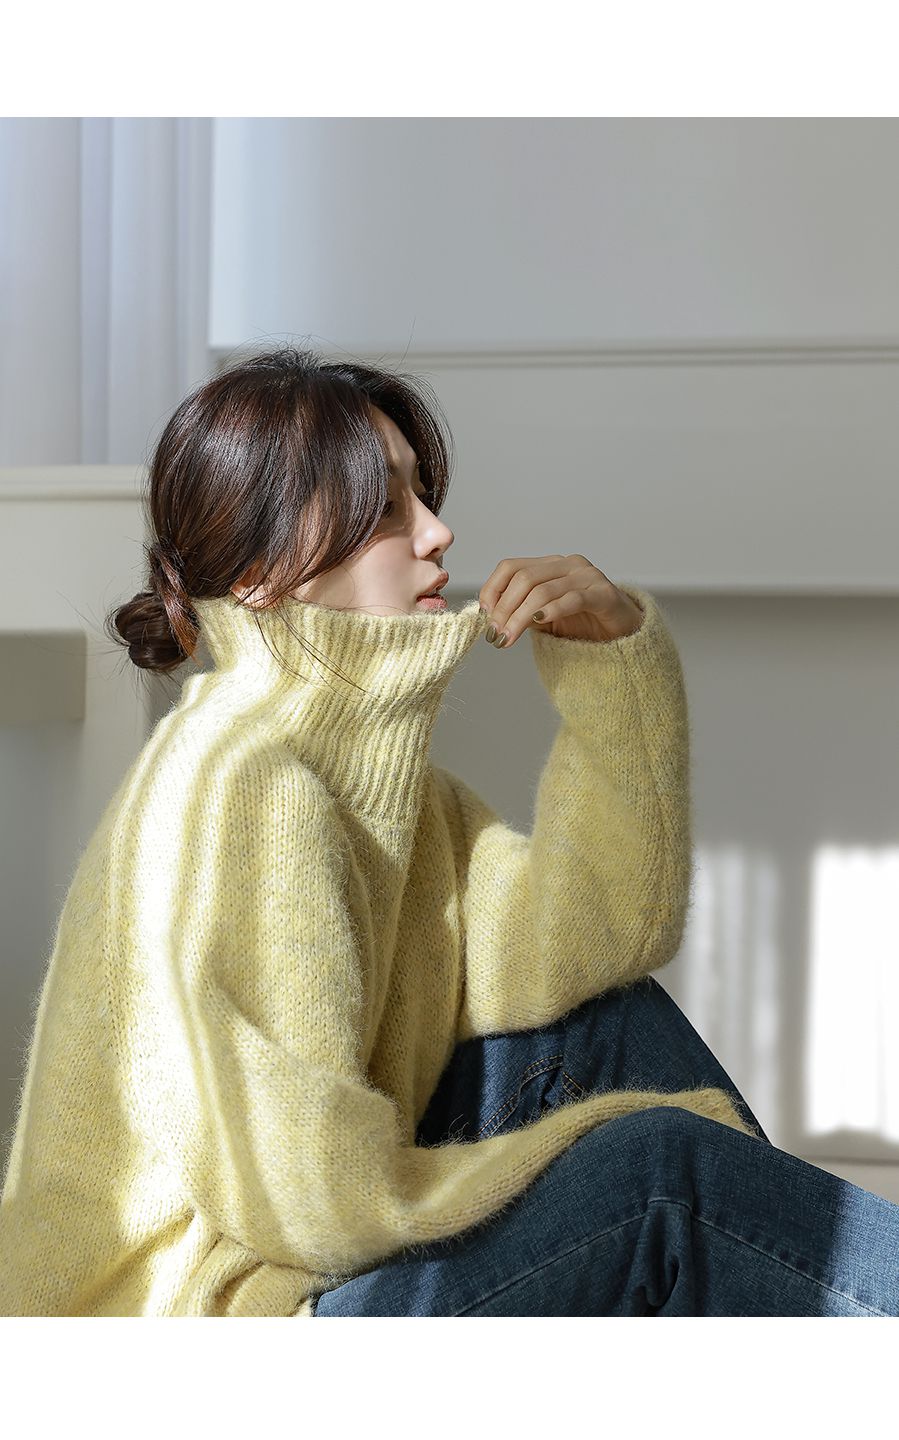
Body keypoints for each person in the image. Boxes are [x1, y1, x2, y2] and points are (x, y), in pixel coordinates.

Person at [2, 344, 897, 1317]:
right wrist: (609, 1142)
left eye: (421, 495)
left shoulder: (396, 797)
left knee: (605, 1024)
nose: (437, 531)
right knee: (661, 1173)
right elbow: (309, 1202)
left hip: (297, 1268)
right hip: (197, 1331)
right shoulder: (248, 786)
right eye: (386, 506)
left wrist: (610, 665)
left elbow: (606, 928)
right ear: (259, 571)